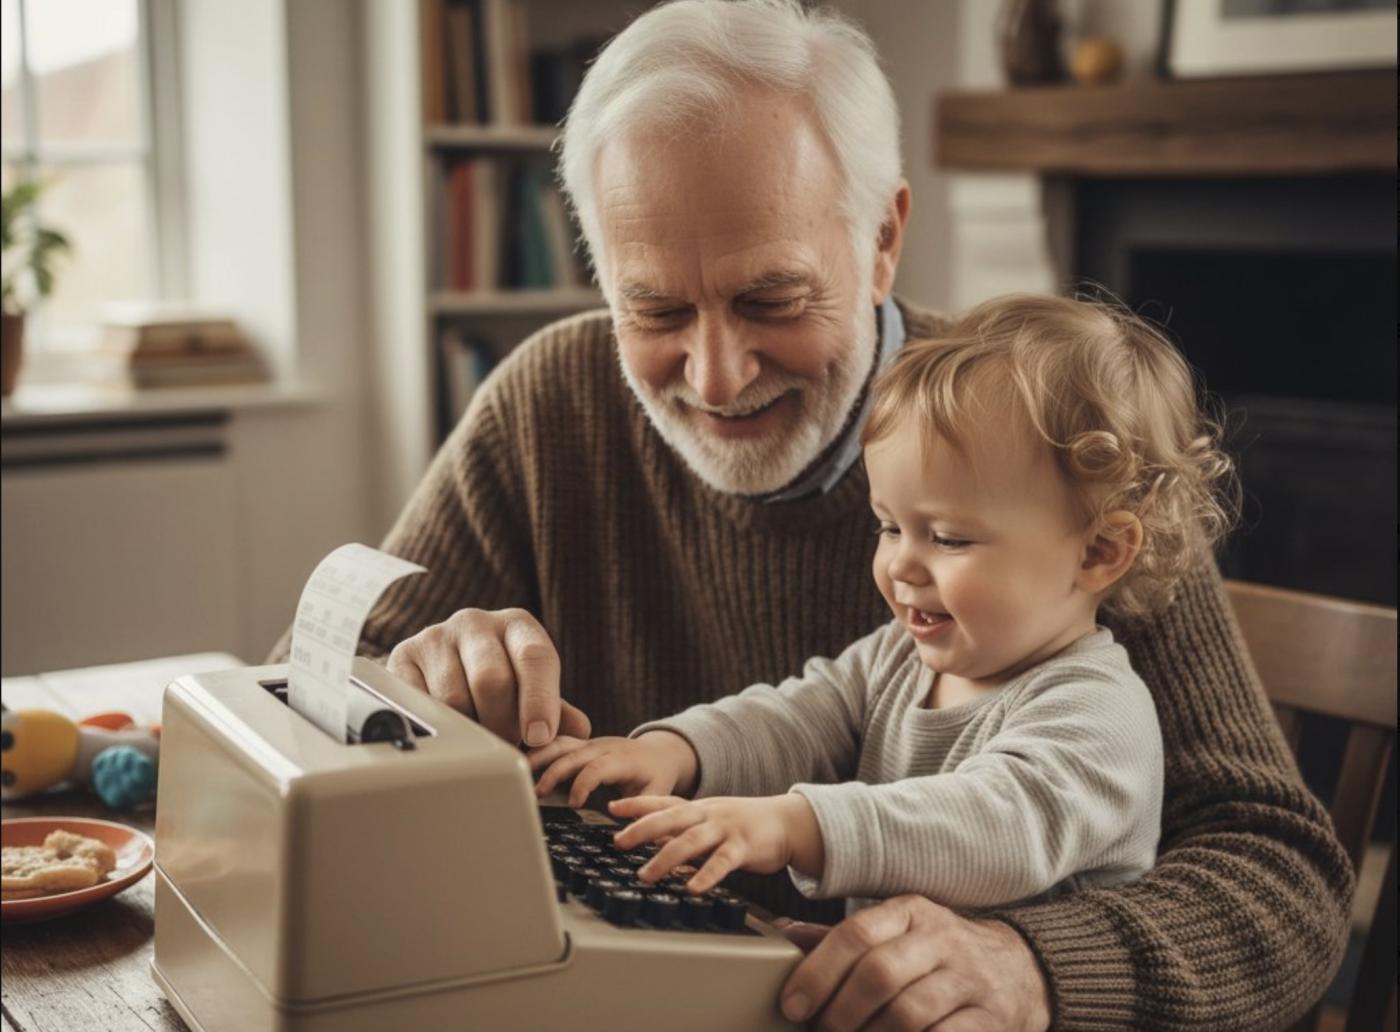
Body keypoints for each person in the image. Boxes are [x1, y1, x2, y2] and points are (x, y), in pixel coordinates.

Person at [271, 1, 1353, 1027]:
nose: (713, 372)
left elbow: (1282, 878)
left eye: (768, 300)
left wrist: (1033, 969)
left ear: (882, 239)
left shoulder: (1049, 447)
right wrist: (416, 674)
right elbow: (293, 694)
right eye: (652, 309)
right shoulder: (550, 400)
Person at [528, 293, 1242, 923]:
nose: (901, 563)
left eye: (950, 538)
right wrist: (671, 752)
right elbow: (794, 716)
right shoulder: (899, 657)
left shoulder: (1097, 713)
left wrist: (796, 823)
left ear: (1098, 554)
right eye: (889, 525)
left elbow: (993, 826)